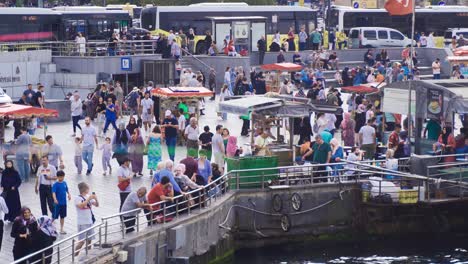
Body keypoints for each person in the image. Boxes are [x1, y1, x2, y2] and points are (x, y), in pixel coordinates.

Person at [74, 182, 99, 256]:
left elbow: (97, 205)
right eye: (88, 188)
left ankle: (88, 254)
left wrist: (96, 198)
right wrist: (88, 199)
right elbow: (81, 206)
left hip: (90, 222)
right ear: (85, 189)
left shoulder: (89, 196)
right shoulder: (77, 198)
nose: (89, 189)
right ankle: (74, 256)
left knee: (89, 240)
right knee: (81, 242)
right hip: (82, 223)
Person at [52, 170, 70, 235]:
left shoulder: (64, 183)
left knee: (62, 216)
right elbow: (53, 192)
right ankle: (49, 226)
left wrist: (69, 194)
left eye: (62, 177)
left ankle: (61, 229)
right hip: (57, 204)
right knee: (54, 216)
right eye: (59, 177)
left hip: (64, 203)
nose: (61, 178)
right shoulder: (55, 185)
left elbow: (67, 189)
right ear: (57, 177)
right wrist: (55, 199)